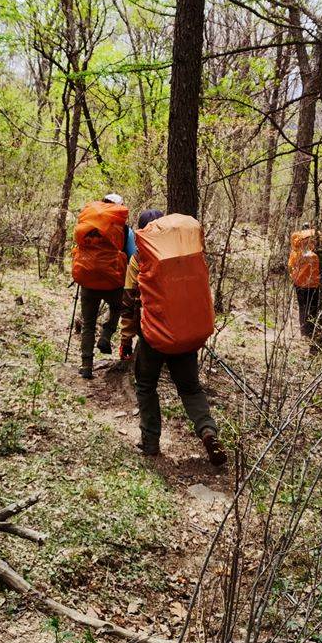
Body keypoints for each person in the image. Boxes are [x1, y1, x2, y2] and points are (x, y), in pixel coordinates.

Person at [120, 209, 227, 465]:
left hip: (154, 336)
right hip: (186, 334)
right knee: (190, 388)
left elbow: (129, 302)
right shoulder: (187, 256)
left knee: (146, 385)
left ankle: (150, 443)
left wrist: (126, 339)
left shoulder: (139, 258)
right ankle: (207, 430)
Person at [74, 193, 129, 380]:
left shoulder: (87, 224)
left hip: (88, 278)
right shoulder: (122, 227)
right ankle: (106, 335)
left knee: (88, 324)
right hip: (112, 280)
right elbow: (131, 254)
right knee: (117, 307)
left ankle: (86, 365)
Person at [289, 226, 322, 338]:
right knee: (311, 308)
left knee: (303, 308)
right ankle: (308, 333)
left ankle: (305, 333)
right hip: (312, 285)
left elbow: (291, 267)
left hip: (299, 284)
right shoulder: (315, 255)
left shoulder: (295, 253)